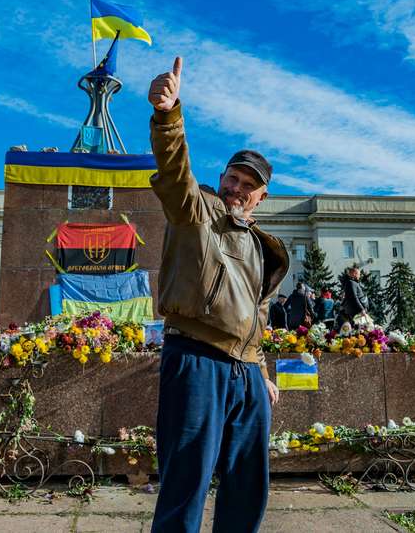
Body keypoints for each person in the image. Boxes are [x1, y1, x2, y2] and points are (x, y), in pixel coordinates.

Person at [147, 56, 289, 533]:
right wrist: (169, 116)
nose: (236, 188)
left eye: (248, 186)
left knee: (248, 487)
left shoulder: (265, 248)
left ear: (261, 197)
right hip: (196, 360)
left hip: (247, 374)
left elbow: (259, 313)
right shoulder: (198, 211)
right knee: (185, 482)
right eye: (233, 177)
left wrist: (262, 370)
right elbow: (173, 173)